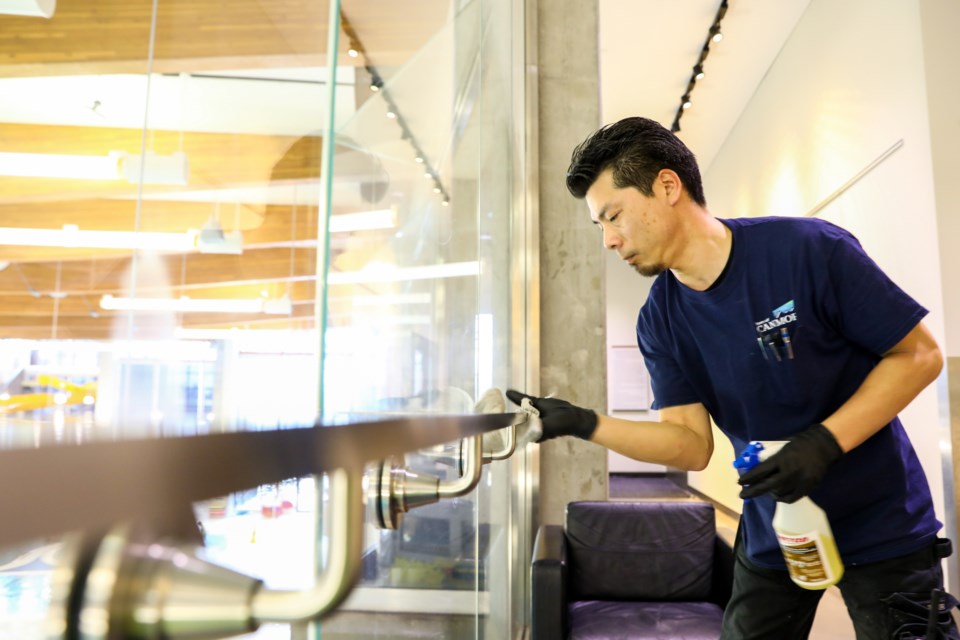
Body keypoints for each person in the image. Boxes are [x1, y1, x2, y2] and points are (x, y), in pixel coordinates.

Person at [507, 116, 958, 639]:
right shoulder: (661, 319)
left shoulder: (807, 250)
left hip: (883, 524)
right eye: (600, 226)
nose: (609, 240)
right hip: (775, 531)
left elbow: (919, 356)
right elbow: (690, 445)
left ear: (667, 186)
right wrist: (584, 423)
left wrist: (824, 444)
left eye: (614, 216)